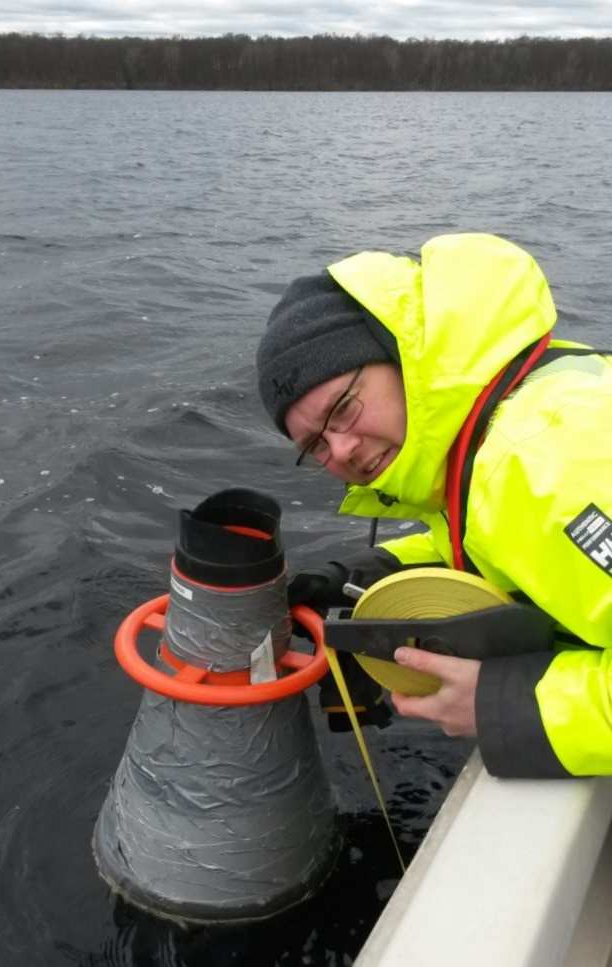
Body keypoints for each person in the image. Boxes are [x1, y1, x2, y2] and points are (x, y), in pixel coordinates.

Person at [256, 232, 612, 780]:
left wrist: (504, 704)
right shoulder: (497, 424)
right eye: (316, 447)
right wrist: (369, 576)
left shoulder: (541, 461)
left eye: (344, 410)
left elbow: (545, 508)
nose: (343, 451)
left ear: (401, 355)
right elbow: (500, 537)